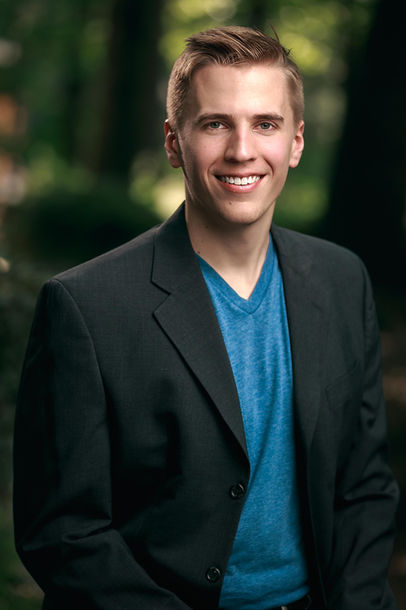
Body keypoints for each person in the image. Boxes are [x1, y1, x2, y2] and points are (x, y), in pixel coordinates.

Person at [13, 26, 398, 610]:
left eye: (265, 124)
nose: (242, 150)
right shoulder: (86, 307)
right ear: (173, 143)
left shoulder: (343, 281)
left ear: (295, 142)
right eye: (215, 123)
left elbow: (363, 486)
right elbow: (65, 534)